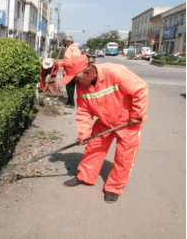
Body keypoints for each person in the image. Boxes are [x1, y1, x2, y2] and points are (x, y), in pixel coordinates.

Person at [61, 55, 149, 203]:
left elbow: (140, 89)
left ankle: (114, 188)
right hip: (104, 122)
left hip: (127, 123)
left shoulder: (114, 72)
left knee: (124, 157)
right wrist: (83, 133)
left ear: (87, 72)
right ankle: (85, 176)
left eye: (74, 79)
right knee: (93, 149)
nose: (73, 84)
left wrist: (137, 115)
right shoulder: (82, 86)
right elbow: (84, 111)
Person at [58, 36, 82, 109]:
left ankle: (71, 103)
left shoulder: (69, 49)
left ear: (67, 42)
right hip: (76, 70)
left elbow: (66, 61)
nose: (65, 43)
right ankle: (69, 101)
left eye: (65, 42)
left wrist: (57, 64)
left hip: (69, 71)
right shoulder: (77, 49)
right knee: (72, 87)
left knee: (69, 87)